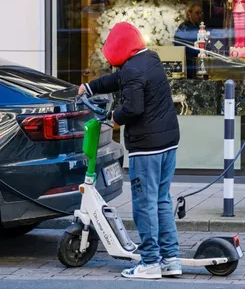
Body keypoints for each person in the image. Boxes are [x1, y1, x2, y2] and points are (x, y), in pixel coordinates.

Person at [77, 21, 181, 279]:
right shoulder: (150, 59)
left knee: (144, 205)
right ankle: (170, 259)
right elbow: (119, 78)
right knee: (161, 200)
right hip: (168, 141)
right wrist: (91, 87)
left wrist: (113, 118)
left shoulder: (132, 70)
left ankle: (149, 263)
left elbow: (133, 108)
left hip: (147, 147)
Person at [174, 2, 203, 78]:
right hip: (188, 63)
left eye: (201, 13)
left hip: (197, 62)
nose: (200, 16)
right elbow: (178, 43)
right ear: (189, 13)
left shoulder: (199, 26)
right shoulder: (184, 27)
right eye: (197, 13)